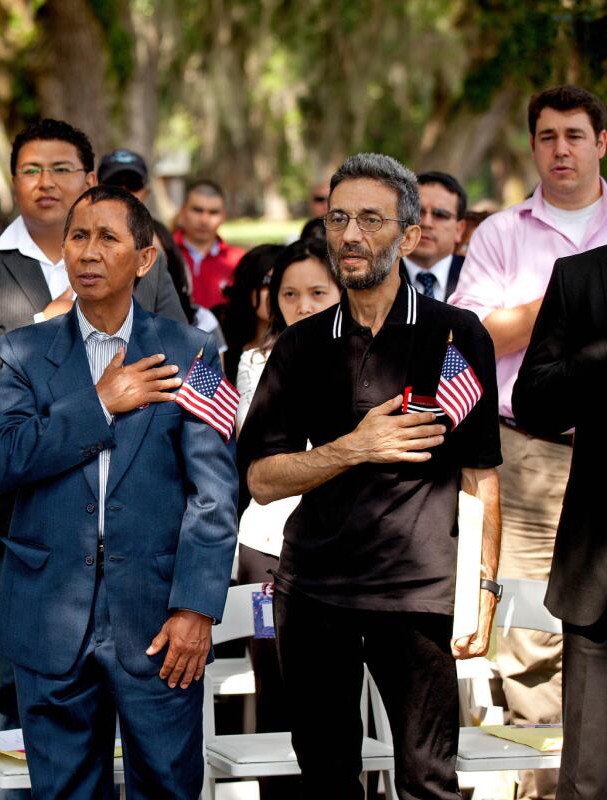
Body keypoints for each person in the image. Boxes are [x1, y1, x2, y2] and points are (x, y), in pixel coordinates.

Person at [241, 153, 502, 799]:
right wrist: (352, 448)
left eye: (369, 220)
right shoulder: (300, 345)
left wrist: (483, 592)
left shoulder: (453, 336)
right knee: (327, 778)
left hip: (418, 595)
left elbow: (480, 477)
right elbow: (262, 480)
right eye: (337, 219)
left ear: (410, 236)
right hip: (313, 594)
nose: (350, 235)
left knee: (427, 782)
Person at [0, 185, 238, 797]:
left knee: (168, 786)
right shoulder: (23, 351)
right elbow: (2, 463)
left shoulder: (193, 350)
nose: (88, 252)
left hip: (159, 619)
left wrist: (196, 608)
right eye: (78, 237)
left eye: (107, 238)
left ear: (144, 259)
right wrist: (99, 402)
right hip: (49, 614)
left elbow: (215, 492)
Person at [0, 117, 182, 727]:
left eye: (62, 169)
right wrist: (38, 330)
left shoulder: (141, 254)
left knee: (136, 691)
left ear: (91, 178)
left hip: (128, 503)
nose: (45, 182)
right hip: (17, 505)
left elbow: (183, 356)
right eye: (30, 170)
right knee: (20, 686)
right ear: (12, 181)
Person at [449, 85, 607, 798]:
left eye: (575, 134)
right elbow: (472, 341)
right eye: (547, 136)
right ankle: (548, 787)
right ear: (532, 146)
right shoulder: (501, 235)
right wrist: (568, 304)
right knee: (537, 636)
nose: (562, 149)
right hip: (533, 452)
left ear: (601, 142)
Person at [232, 236, 340, 800]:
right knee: (276, 688)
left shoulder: (373, 356)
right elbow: (261, 461)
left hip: (346, 546)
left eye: (317, 292)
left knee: (341, 698)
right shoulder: (256, 361)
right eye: (289, 294)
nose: (301, 304)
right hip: (268, 544)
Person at [514, 242, 607, 799]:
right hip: (601, 574)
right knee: (589, 778)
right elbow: (534, 402)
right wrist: (597, 356)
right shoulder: (581, 276)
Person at [98, 148, 199, 327]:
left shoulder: (162, 237)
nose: (123, 190)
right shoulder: (79, 237)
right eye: (113, 183)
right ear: (96, 187)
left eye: (132, 183)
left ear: (146, 191)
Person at [173, 180, 244, 311]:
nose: (204, 220)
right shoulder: (164, 253)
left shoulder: (239, 260)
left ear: (223, 217)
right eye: (197, 210)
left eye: (213, 212)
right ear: (182, 212)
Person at [220, 244, 284, 384]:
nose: (274, 292)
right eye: (267, 283)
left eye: (283, 283)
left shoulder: (302, 348)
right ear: (247, 286)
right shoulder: (224, 350)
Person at [404, 171, 467, 301]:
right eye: (417, 212)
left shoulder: (476, 277)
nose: (426, 223)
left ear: (459, 230)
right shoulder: (380, 273)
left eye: (440, 215)